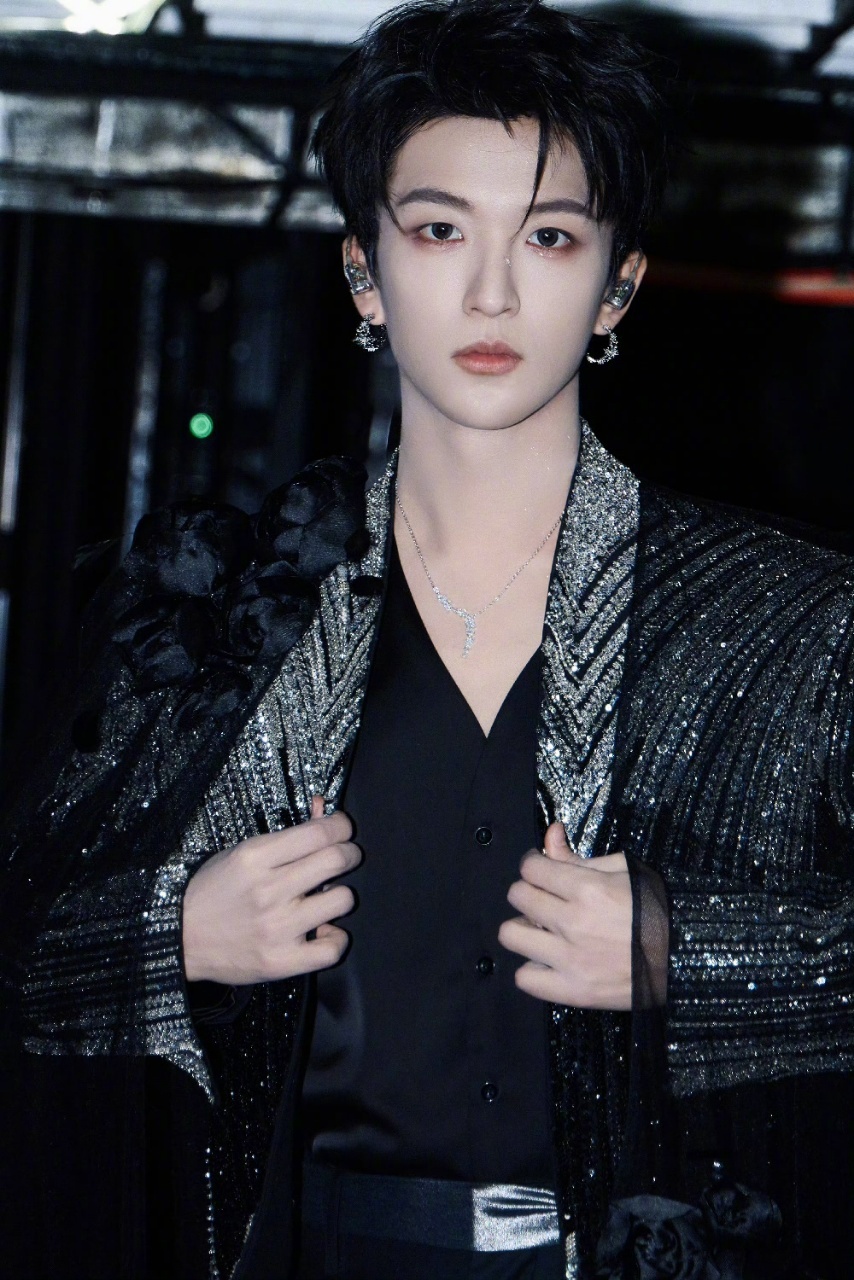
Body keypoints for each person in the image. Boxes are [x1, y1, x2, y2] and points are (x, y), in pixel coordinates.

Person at [1, 2, 852, 1278]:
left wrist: (693, 948)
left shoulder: (781, 621)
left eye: (548, 235)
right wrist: (173, 931)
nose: (490, 291)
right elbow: (25, 945)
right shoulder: (223, 610)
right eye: (439, 228)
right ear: (364, 270)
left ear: (616, 284)